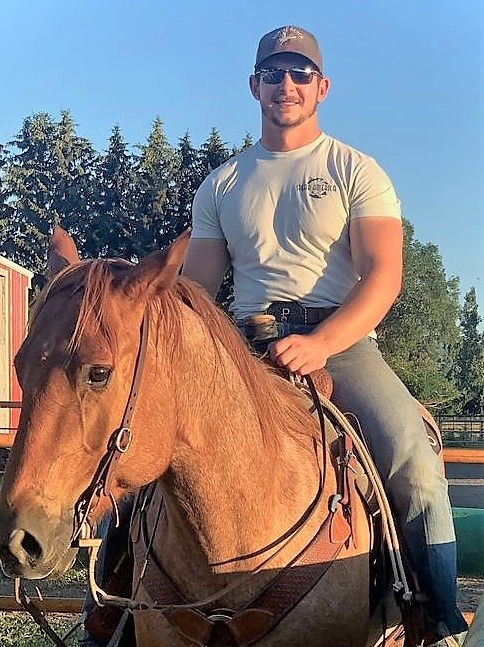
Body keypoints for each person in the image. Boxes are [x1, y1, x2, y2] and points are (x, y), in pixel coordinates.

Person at [181, 25, 468, 647]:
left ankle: (438, 616)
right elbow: (199, 288)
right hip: (243, 342)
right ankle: (113, 611)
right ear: (253, 85)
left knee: (412, 456)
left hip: (339, 337)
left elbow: (384, 276)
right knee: (148, 443)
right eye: (274, 73)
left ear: (322, 86)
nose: (286, 84)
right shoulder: (222, 184)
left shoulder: (355, 169)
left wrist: (321, 343)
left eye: (300, 73)